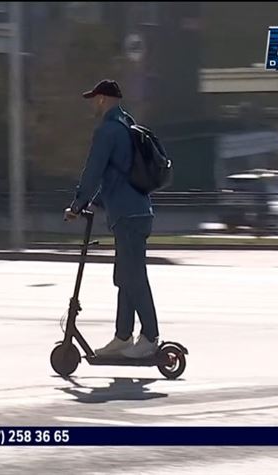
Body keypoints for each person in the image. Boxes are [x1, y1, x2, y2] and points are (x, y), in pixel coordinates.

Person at [63, 79, 159, 359]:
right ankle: (122, 336)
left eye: (94, 99)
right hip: (137, 210)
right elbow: (118, 175)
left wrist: (77, 204)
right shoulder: (128, 126)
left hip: (128, 215)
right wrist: (97, 202)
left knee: (134, 277)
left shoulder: (108, 131)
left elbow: (93, 171)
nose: (93, 104)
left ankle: (150, 336)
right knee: (125, 276)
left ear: (103, 99)